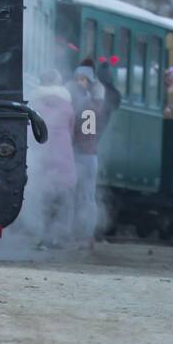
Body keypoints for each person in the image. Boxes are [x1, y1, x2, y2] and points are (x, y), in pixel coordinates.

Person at [29, 69, 76, 249]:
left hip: (41, 155)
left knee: (43, 200)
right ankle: (59, 238)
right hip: (63, 156)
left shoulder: (34, 103)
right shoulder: (67, 105)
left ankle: (42, 238)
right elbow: (72, 130)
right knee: (64, 201)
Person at [69, 58, 111, 249]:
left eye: (82, 79)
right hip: (89, 154)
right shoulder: (95, 104)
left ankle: (83, 234)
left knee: (82, 197)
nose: (79, 82)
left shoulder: (87, 104)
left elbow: (84, 131)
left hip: (82, 154)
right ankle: (83, 234)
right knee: (86, 197)